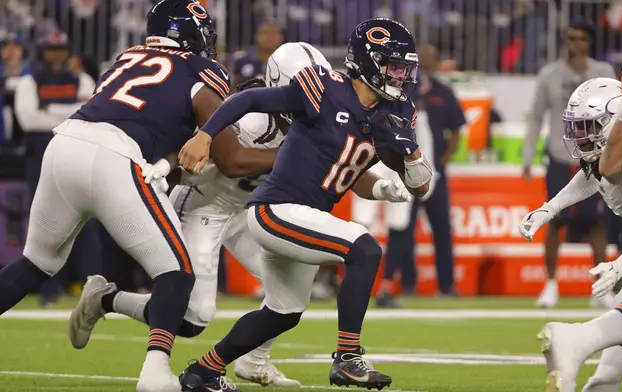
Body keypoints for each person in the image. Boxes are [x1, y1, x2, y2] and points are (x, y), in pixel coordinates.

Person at [0, 1, 275, 392]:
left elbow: (151, 120)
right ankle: (155, 372)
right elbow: (230, 160)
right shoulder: (202, 70)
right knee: (176, 272)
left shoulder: (125, 58)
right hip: (115, 157)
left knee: (34, 263)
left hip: (64, 145)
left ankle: (121, 321)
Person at [177, 18, 432, 392]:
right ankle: (348, 357)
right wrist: (205, 135)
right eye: (393, 67)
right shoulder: (323, 88)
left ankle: (203, 372)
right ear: (367, 62)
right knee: (364, 248)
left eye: (403, 68)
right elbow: (248, 98)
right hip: (276, 208)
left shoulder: (396, 112)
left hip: (304, 215)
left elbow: (420, 186)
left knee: (284, 312)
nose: (400, 76)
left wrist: (409, 151)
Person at [70, 41, 334, 389]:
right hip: (202, 202)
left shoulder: (315, 118)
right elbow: (228, 160)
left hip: (247, 208)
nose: (317, 98)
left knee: (296, 277)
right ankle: (105, 299)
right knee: (194, 318)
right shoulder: (251, 116)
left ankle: (254, 361)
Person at [518, 77, 622, 390]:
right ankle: (581, 348)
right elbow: (591, 177)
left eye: (588, 127)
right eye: (578, 128)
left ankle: (593, 367)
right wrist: (550, 208)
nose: (579, 138)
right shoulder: (618, 151)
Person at [521, 20, 616, 308]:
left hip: (598, 156)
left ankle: (600, 288)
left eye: (581, 38)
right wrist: (527, 156)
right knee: (554, 220)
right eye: (571, 38)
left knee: (596, 222)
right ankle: (550, 284)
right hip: (561, 155)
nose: (576, 43)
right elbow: (536, 115)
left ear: (589, 42)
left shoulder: (603, 73)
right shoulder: (549, 74)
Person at [13, 31, 103, 306]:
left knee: (87, 223)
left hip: (77, 154)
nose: (56, 54)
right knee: (43, 223)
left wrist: (47, 108)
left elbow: (92, 114)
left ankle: (94, 288)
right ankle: (49, 289)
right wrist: (72, 111)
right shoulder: (30, 80)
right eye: (51, 49)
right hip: (40, 157)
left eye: (61, 49)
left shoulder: (81, 79)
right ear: (42, 51)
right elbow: (28, 120)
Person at [376, 43, 464, 307]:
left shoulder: (443, 92)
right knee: (401, 226)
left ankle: (446, 285)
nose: (425, 64)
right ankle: (402, 283)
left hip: (434, 170)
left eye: (429, 59)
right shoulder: (398, 91)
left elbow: (458, 127)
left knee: (441, 229)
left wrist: (443, 159)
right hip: (405, 169)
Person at [229, 21, 284, 90]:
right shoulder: (241, 60)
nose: (269, 37)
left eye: (274, 34)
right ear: (256, 36)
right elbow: (231, 88)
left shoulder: (289, 63)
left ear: (281, 37)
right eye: (265, 33)